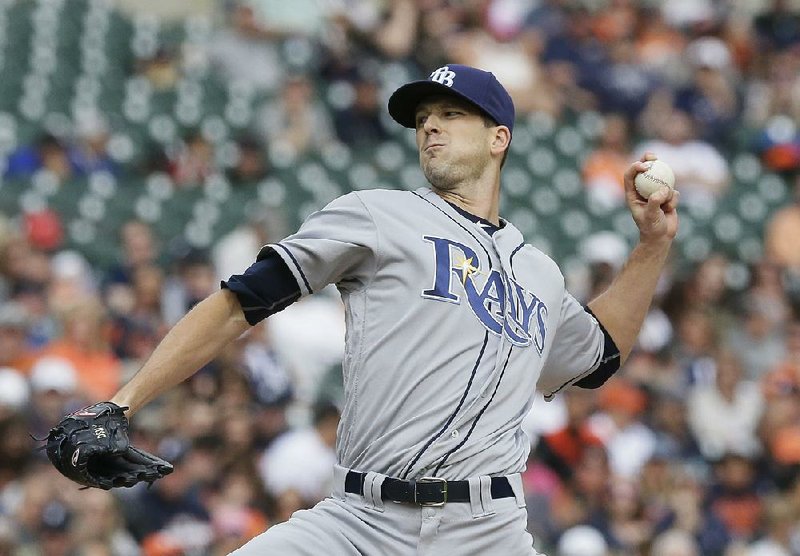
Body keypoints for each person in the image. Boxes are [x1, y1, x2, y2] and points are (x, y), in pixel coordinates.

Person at [101, 64, 678, 554]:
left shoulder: (540, 273)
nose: (430, 125)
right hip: (359, 521)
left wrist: (652, 245)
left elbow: (601, 355)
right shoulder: (377, 214)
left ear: (499, 137)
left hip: (486, 532)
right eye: (424, 116)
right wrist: (120, 404)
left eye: (452, 114)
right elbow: (239, 303)